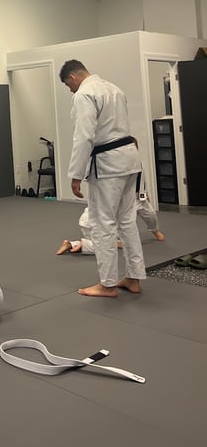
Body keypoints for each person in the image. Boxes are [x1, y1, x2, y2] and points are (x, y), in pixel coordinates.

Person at [59, 59, 146, 297]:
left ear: (72, 78)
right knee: (127, 221)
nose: (70, 90)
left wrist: (75, 174)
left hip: (108, 165)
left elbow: (84, 136)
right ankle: (134, 278)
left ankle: (107, 284)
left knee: (103, 223)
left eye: (68, 85)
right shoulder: (114, 88)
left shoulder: (84, 94)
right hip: (130, 159)